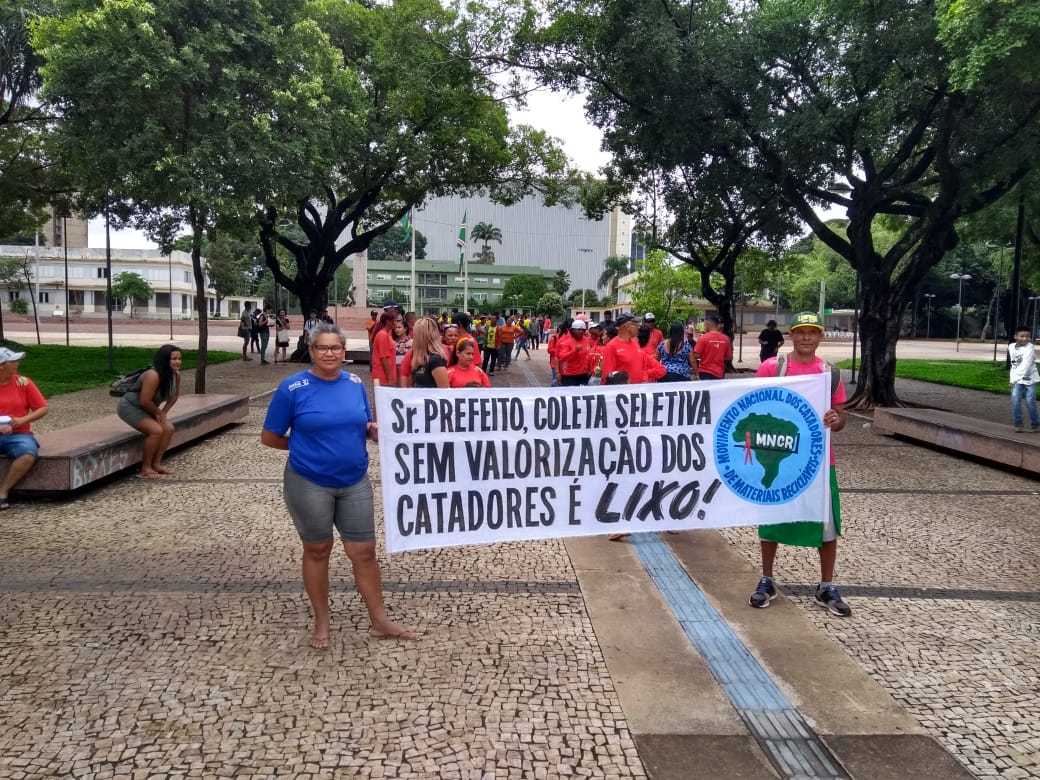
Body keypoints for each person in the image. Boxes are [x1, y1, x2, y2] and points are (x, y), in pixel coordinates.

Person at [261, 323, 415, 648]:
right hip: (309, 481)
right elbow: (269, 437)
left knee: (364, 551)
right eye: (322, 347)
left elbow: (361, 424)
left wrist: (372, 431)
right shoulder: (292, 388)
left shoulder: (354, 384)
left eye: (335, 347)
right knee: (318, 550)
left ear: (344, 351)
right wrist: (304, 447)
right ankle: (322, 621)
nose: (329, 353)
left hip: (354, 480)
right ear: (311, 351)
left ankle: (379, 620)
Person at [749, 311, 851, 617]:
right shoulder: (773, 368)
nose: (807, 337)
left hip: (818, 462)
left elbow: (841, 417)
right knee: (772, 519)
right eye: (801, 331)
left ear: (820, 336)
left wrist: (835, 419)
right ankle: (767, 579)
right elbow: (753, 405)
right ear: (791, 335)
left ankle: (826, 585)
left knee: (826, 524)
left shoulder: (829, 373)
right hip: (779, 458)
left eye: (813, 332)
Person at [116, 344, 182, 479]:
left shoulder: (176, 375)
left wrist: (164, 412)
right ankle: (145, 468)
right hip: (130, 406)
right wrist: (158, 413)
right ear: (164, 360)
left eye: (179, 358)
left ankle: (156, 464)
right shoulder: (153, 375)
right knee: (155, 431)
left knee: (168, 428)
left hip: (150, 408)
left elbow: (174, 396)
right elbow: (144, 401)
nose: (178, 362)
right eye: (174, 359)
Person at [0, 347, 48, 507]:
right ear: (1, 366)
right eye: (13, 361)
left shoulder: (24, 382)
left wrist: (22, 420)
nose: (17, 364)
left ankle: (3, 491)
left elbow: (42, 408)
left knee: (28, 453)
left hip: (19, 433)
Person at [599, 313, 666, 385]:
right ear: (627, 326)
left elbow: (654, 367)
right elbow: (607, 377)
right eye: (636, 324)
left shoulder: (635, 343)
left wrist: (644, 374)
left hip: (638, 390)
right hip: (623, 391)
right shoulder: (611, 346)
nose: (638, 327)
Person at [400, 318, 450, 388]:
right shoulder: (419, 356)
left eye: (415, 334)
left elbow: (444, 390)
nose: (413, 337)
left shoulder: (436, 360)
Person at [1008, 325, 1040, 433]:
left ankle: (1035, 424)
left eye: (1027, 336)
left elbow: (1025, 366)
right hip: (1017, 379)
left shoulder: (1029, 348)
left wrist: (1013, 380)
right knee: (1015, 400)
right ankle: (1018, 424)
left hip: (1031, 379)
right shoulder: (1011, 347)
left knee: (1030, 401)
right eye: (1022, 336)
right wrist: (1012, 379)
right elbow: (1014, 365)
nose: (1025, 338)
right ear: (1015, 336)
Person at [693, 314, 732, 380]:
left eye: (705, 325)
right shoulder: (726, 339)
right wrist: (718, 355)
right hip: (719, 372)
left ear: (708, 325)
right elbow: (729, 357)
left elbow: (696, 355)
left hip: (704, 372)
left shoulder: (703, 338)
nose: (704, 327)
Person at [555, 319, 593, 386]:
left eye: (583, 330)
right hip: (569, 375)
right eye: (579, 330)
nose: (581, 332)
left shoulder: (588, 340)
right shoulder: (567, 343)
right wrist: (574, 350)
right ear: (573, 330)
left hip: (584, 375)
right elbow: (562, 358)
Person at [369, 311, 399, 387]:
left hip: (386, 375)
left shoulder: (387, 334)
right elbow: (384, 358)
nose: (396, 323)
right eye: (395, 321)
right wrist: (390, 378)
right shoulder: (382, 335)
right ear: (388, 322)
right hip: (383, 376)